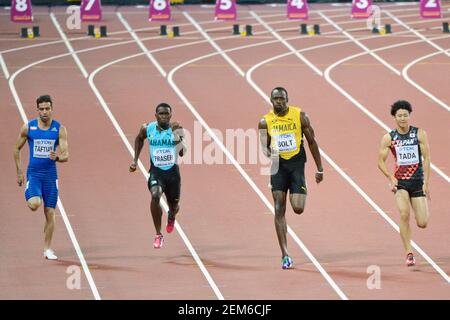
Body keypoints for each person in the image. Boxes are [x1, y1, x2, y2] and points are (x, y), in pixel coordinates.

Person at [258, 87, 324, 269]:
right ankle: (285, 254)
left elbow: (312, 141)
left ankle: (301, 187)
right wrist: (272, 155)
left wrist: (320, 168)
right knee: (279, 208)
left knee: (298, 208)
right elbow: (264, 147)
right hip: (278, 167)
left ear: (287, 99)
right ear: (271, 100)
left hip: (296, 165)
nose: (279, 101)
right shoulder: (265, 122)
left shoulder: (300, 116)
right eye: (276, 99)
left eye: (282, 98)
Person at [13, 95, 69, 260]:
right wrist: (19, 172)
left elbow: (66, 154)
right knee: (34, 204)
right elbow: (16, 149)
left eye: (47, 108)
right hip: (34, 174)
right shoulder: (28, 128)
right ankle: (29, 191)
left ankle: (47, 249)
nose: (45, 112)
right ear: (37, 110)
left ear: (52, 109)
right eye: (42, 109)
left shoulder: (59, 129)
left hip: (51, 176)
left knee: (50, 213)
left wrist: (57, 157)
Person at [378, 100, 430, 267]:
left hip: (417, 181)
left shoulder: (419, 134)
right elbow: (380, 161)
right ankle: (409, 252)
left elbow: (427, 159)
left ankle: (419, 210)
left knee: (422, 223)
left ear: (409, 116)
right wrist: (390, 177)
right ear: (394, 117)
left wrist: (426, 184)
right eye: (399, 115)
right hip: (400, 183)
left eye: (405, 115)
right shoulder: (389, 138)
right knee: (404, 214)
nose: (402, 118)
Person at [129, 103, 186, 249]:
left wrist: (176, 135)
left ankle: (171, 215)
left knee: (174, 206)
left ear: (170, 115)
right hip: (156, 172)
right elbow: (139, 139)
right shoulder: (148, 128)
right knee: (155, 195)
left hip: (173, 174)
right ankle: (158, 234)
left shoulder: (177, 128)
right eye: (161, 113)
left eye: (167, 114)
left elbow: (182, 152)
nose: (164, 116)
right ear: (156, 115)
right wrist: (135, 160)